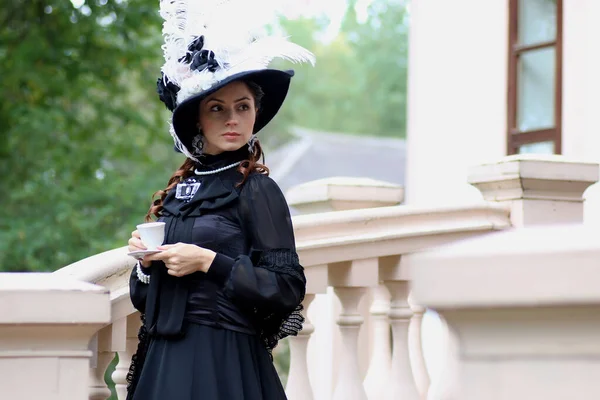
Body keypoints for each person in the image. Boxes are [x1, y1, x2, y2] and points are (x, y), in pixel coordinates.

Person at [125, 1, 315, 399]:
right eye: (218, 108)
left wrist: (210, 262)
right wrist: (145, 265)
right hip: (162, 364)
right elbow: (145, 299)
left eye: (242, 107)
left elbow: (286, 287)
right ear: (198, 119)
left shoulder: (256, 188)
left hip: (225, 364)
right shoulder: (178, 191)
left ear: (255, 113)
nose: (232, 119)